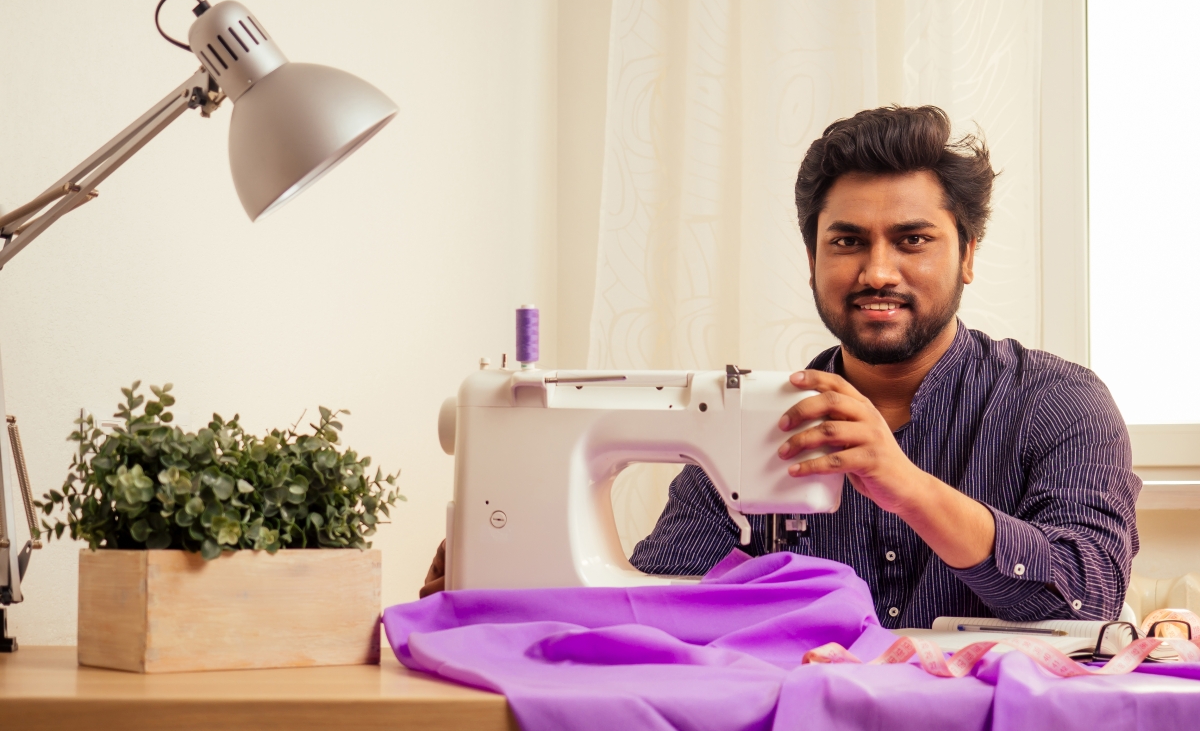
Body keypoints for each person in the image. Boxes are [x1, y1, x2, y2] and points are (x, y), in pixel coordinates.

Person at [423, 106, 1139, 629]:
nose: (878, 269)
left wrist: (908, 487)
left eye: (913, 239)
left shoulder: (1060, 405)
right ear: (813, 261)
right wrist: (498, 586)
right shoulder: (755, 424)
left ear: (970, 255)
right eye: (848, 241)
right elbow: (656, 605)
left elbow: (1090, 594)